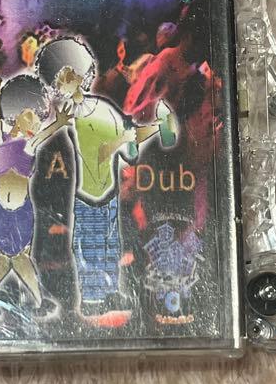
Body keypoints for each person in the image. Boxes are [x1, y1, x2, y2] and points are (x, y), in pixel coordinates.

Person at [34, 36, 176, 324]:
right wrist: (124, 139)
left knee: (111, 245)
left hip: (108, 194)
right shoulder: (73, 116)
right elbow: (100, 152)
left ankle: (110, 291)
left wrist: (152, 129)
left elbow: (128, 144)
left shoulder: (102, 107)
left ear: (82, 72)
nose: (67, 82)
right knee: (89, 247)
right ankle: (92, 298)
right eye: (61, 78)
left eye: (70, 74)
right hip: (89, 197)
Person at [0, 72, 70, 311]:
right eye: (31, 117)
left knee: (21, 257)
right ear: (18, 117)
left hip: (21, 212)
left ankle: (38, 301)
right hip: (0, 210)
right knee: (2, 257)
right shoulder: (1, 140)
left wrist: (59, 123)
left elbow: (44, 134)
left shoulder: (28, 145)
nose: (35, 124)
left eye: (37, 121)